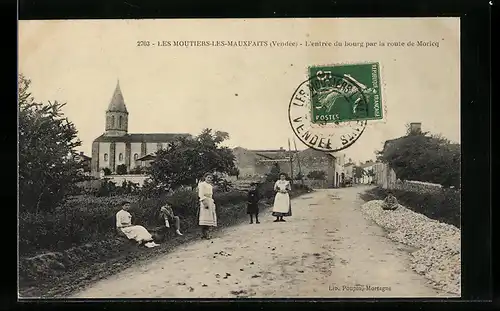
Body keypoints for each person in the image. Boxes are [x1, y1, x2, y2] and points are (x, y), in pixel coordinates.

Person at [198, 173, 217, 239]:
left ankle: (208, 233)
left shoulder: (210, 186)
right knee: (204, 218)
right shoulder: (202, 184)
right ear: (205, 177)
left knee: (210, 218)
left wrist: (212, 202)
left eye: (210, 178)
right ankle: (204, 234)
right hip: (205, 201)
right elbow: (201, 194)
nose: (209, 179)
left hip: (210, 201)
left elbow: (211, 195)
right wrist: (204, 202)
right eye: (208, 177)